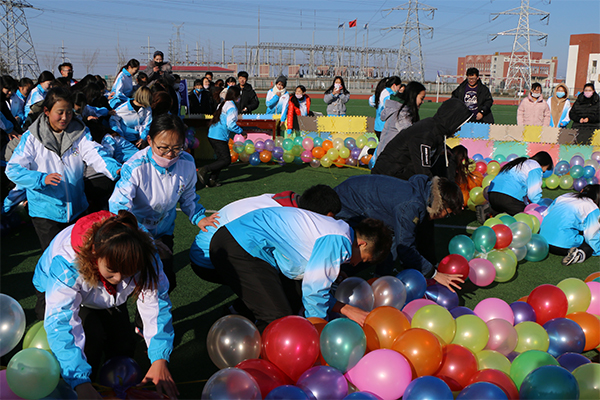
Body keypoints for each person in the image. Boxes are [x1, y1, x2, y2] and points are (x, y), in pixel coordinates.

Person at [32, 210, 178, 399]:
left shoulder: (142, 251)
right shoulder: (67, 263)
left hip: (102, 294)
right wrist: (80, 382)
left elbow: (156, 304)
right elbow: (61, 322)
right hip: (55, 290)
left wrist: (159, 358)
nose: (118, 279)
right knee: (91, 338)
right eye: (112, 271)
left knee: (123, 345)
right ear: (94, 252)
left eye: (128, 272)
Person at [210, 207, 392, 330]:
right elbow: (314, 291)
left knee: (291, 295)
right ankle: (259, 367)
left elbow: (305, 281)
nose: (356, 264)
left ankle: (236, 312)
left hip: (236, 240)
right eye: (363, 259)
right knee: (279, 320)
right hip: (240, 245)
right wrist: (319, 333)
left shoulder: (339, 230)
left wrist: (343, 308)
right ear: (361, 244)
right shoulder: (339, 241)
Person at [109, 113, 217, 293]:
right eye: (163, 148)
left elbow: (188, 196)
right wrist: (141, 236)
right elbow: (119, 206)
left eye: (177, 148)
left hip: (164, 230)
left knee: (164, 282)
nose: (169, 154)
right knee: (132, 281)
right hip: (135, 232)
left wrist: (198, 217)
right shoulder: (135, 166)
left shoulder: (186, 162)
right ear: (150, 141)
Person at [5, 87, 121, 250]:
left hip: (77, 208)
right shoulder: (31, 138)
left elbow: (95, 153)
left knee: (81, 255)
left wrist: (115, 169)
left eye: (69, 112)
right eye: (60, 112)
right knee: (54, 255)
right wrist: (40, 179)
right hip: (45, 213)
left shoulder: (79, 133)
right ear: (46, 111)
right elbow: (13, 169)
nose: (65, 117)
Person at [334, 174, 465, 291]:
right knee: (362, 251)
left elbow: (395, 239)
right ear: (441, 205)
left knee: (382, 246)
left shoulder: (422, 193)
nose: (444, 217)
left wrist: (382, 279)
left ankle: (374, 277)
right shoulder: (411, 207)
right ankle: (334, 278)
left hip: (355, 195)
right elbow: (405, 248)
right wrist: (434, 274)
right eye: (447, 214)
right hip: (346, 203)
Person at [190, 185, 341, 282]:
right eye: (327, 220)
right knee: (286, 279)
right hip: (209, 260)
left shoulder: (285, 200)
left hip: (206, 251)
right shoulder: (284, 218)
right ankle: (242, 311)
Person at [371, 98, 471, 180]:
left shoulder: (436, 130)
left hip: (399, 174)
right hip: (387, 177)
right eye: (459, 125)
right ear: (451, 120)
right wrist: (435, 191)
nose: (459, 129)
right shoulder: (426, 134)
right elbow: (422, 170)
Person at [540, 185, 600, 265]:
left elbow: (545, 215)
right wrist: (597, 250)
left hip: (542, 241)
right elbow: (591, 236)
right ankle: (579, 254)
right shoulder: (592, 207)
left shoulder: (564, 196)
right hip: (563, 246)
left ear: (582, 191)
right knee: (589, 243)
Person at [197, 86, 243, 188]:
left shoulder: (223, 104)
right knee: (226, 160)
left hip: (213, 134)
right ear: (236, 96)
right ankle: (204, 169)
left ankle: (212, 180)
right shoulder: (232, 107)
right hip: (219, 136)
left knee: (221, 159)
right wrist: (241, 131)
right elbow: (230, 125)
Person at [487, 151, 554, 216]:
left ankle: (489, 213)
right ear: (545, 164)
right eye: (546, 169)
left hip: (492, 195)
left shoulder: (520, 163)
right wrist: (540, 207)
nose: (544, 171)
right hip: (509, 197)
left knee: (499, 217)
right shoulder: (535, 166)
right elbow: (533, 194)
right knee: (527, 218)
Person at [376, 81, 426, 156]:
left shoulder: (400, 110)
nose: (422, 102)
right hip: (388, 156)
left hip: (385, 153)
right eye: (421, 98)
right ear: (414, 96)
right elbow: (410, 136)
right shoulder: (402, 113)